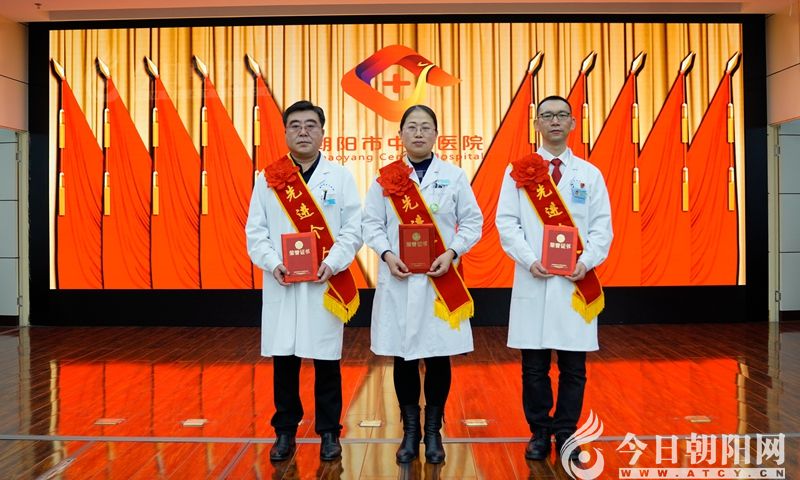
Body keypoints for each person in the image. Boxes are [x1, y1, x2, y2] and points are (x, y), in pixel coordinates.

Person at [362, 105, 483, 464]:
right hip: (399, 279)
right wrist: (386, 254)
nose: (418, 133)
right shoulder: (385, 179)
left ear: (436, 135)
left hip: (439, 280)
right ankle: (410, 431)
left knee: (438, 354)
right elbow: (371, 224)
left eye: (425, 127)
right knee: (403, 356)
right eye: (411, 127)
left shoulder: (454, 176)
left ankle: (433, 431)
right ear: (400, 134)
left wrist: (452, 252)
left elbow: (472, 222)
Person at [495, 95, 612, 462]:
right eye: (547, 116)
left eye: (562, 115)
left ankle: (565, 432)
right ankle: (539, 431)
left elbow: (602, 227)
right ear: (537, 124)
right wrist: (529, 260)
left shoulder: (589, 175)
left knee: (574, 368)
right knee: (534, 367)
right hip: (534, 279)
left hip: (576, 282)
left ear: (573, 123)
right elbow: (506, 223)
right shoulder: (518, 173)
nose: (555, 121)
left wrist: (586, 261)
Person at [246, 100, 362, 462]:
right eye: (295, 125)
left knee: (326, 361)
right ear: (285, 133)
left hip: (324, 282)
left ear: (323, 132)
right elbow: (255, 231)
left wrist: (333, 262)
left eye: (311, 125)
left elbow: (353, 229)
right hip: (283, 282)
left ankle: (329, 433)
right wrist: (273, 263)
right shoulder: (267, 178)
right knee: (284, 362)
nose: (303, 132)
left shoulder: (339, 177)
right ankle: (285, 432)